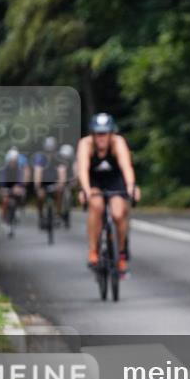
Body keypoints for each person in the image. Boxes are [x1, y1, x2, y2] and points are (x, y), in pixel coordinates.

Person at [76, 113, 139, 278]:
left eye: (104, 133)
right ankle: (93, 251)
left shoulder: (118, 143)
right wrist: (86, 190)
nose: (101, 138)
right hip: (94, 180)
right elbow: (82, 169)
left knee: (119, 214)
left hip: (115, 180)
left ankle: (122, 254)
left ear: (111, 133)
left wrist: (131, 187)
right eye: (97, 133)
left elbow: (127, 167)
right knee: (96, 206)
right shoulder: (85, 144)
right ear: (92, 134)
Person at [32, 136, 60, 229]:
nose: (50, 152)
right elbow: (37, 172)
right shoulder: (40, 157)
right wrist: (38, 187)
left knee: (59, 192)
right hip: (43, 182)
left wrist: (60, 184)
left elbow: (62, 171)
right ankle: (41, 215)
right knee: (40, 196)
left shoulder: (58, 158)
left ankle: (57, 214)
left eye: (51, 150)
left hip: (54, 181)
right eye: (48, 150)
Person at [0, 147, 28, 232]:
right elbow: (2, 181)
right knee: (5, 201)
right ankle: (3, 221)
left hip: (16, 188)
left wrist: (19, 187)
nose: (13, 162)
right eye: (12, 160)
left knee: (22, 193)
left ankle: (18, 208)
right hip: (6, 187)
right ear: (8, 160)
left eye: (15, 160)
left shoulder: (19, 169)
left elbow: (20, 180)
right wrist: (3, 189)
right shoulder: (4, 169)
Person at [57, 143, 76, 224]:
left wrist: (74, 180)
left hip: (69, 180)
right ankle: (58, 212)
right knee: (58, 193)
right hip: (59, 180)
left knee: (68, 196)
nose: (65, 157)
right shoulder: (58, 160)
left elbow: (76, 172)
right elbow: (59, 172)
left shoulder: (74, 161)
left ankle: (67, 211)